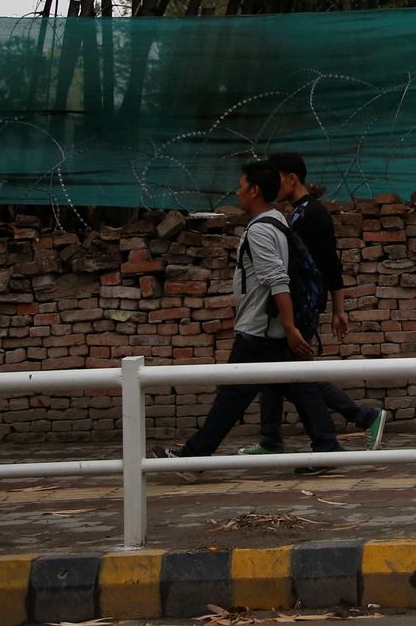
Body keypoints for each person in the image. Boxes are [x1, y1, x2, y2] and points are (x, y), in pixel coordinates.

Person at [155, 159, 345, 472]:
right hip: (269, 327)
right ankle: (327, 447)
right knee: (298, 385)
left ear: (255, 190)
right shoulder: (278, 220)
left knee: (233, 394)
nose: (237, 192)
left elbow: (277, 279)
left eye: (241, 186)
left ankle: (194, 457)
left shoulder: (260, 230)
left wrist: (288, 325)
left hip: (259, 329)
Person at [244, 153, 385, 454]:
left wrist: (338, 309)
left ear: (292, 178)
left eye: (277, 177)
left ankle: (363, 417)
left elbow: (329, 264)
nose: (273, 184)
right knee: (276, 372)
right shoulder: (295, 213)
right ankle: (271, 439)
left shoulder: (313, 214)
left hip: (303, 306)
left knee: (296, 375)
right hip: (295, 304)